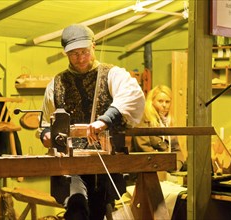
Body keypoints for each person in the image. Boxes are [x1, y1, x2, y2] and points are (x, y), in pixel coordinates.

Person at [38, 24, 145, 220]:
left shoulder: (112, 74)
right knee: (76, 209)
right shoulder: (57, 84)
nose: (80, 58)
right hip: (69, 165)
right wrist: (46, 135)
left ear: (93, 47)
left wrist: (105, 120)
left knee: (102, 209)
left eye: (84, 52)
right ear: (66, 54)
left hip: (106, 161)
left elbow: (132, 96)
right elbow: (46, 122)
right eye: (74, 54)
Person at [131, 85, 184, 176]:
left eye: (167, 102)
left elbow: (176, 149)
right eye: (160, 101)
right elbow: (143, 147)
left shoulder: (169, 121)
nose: (164, 105)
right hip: (147, 169)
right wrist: (166, 165)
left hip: (169, 168)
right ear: (152, 101)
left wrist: (177, 166)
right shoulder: (143, 118)